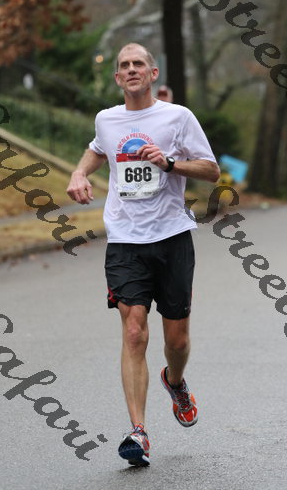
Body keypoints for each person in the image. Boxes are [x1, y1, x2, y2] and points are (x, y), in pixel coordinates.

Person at [67, 43, 220, 467]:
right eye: (124, 66)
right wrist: (79, 172)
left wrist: (170, 163)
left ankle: (176, 381)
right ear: (118, 78)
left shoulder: (178, 117)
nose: (131, 69)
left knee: (177, 340)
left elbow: (210, 169)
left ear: (153, 74)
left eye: (138, 64)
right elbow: (98, 148)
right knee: (134, 331)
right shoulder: (107, 119)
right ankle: (138, 431)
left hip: (172, 236)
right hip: (125, 239)